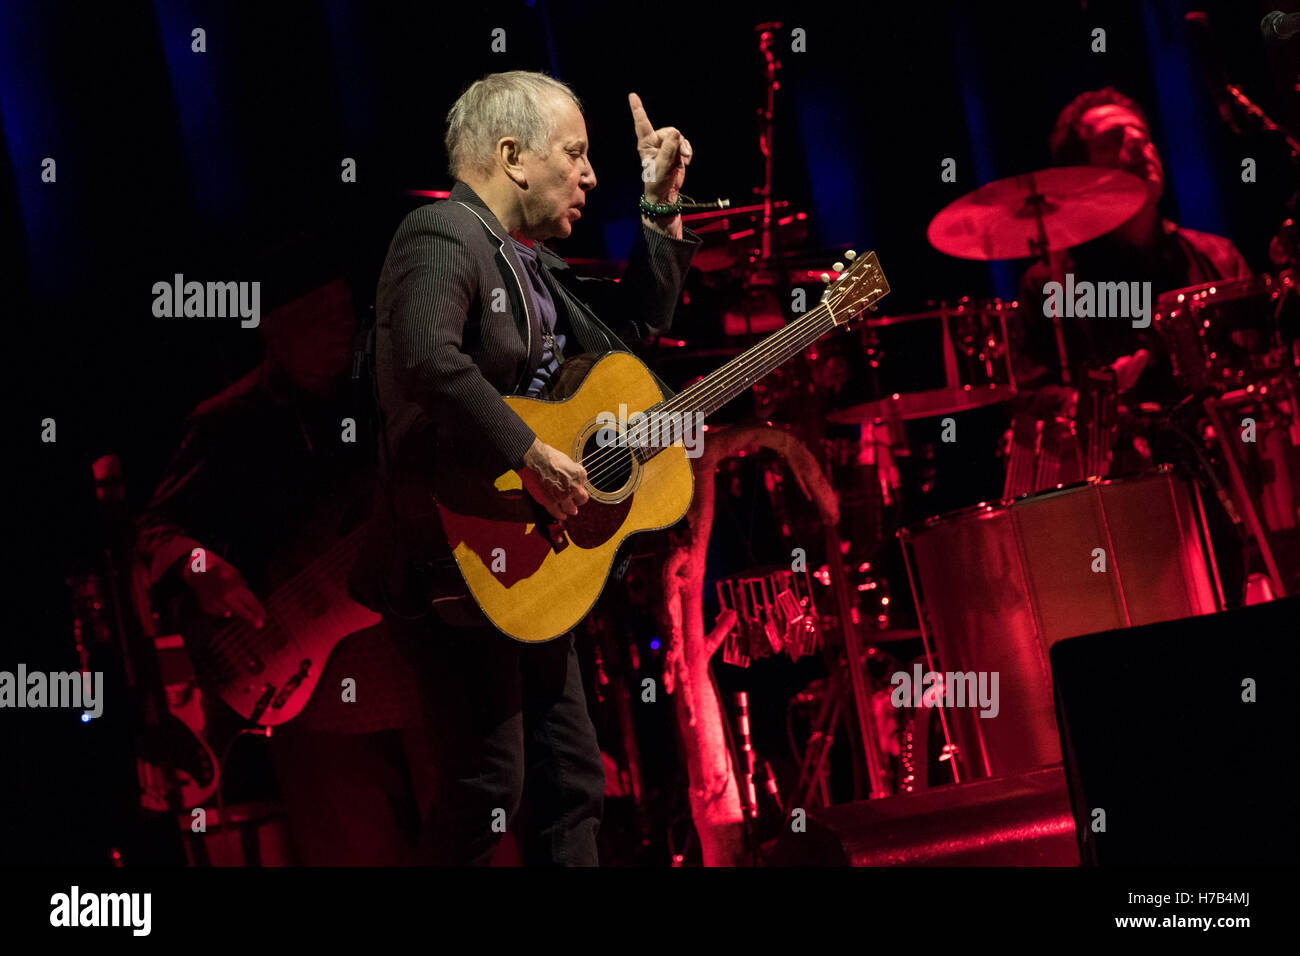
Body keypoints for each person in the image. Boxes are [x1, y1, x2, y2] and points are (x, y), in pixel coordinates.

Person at [353, 70, 701, 866]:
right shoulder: (440, 237)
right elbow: (427, 360)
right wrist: (529, 452)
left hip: (528, 556)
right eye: (574, 154)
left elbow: (637, 328)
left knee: (572, 779)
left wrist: (658, 203)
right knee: (488, 789)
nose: (589, 174)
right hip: (452, 553)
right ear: (511, 155)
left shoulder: (529, 263)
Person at [135, 277, 439, 864]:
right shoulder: (228, 420)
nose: (338, 332)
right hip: (305, 685)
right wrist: (202, 566)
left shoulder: (387, 392)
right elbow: (154, 529)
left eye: (343, 315)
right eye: (316, 318)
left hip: (421, 665)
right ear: (273, 329)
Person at [1014, 87, 1251, 412]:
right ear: (1080, 174)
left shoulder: (1217, 254)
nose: (1138, 145)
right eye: (1112, 141)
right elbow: (1028, 399)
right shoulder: (1051, 285)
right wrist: (1093, 399)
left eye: (1143, 136)